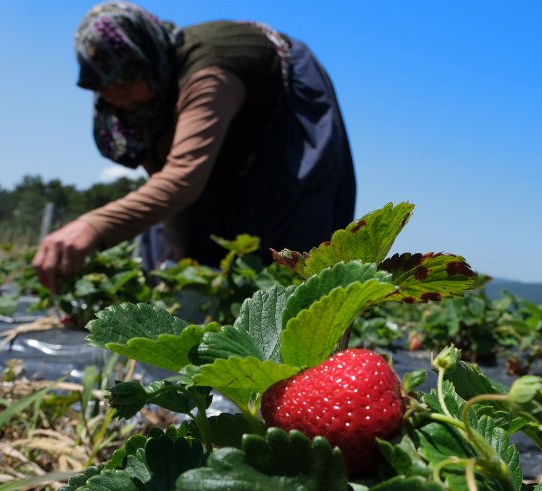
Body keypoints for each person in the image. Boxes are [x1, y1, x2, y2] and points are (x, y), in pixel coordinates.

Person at [32, 1, 356, 292]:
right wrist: (176, 248)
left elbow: (183, 179)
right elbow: (163, 172)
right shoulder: (136, 103)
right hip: (210, 138)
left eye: (125, 84)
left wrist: (93, 225)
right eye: (106, 88)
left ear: (146, 62)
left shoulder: (209, 76)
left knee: (285, 238)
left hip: (283, 120)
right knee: (177, 249)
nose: (119, 98)